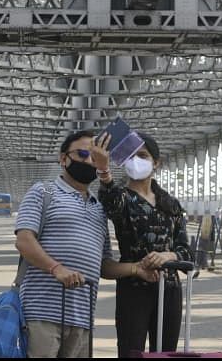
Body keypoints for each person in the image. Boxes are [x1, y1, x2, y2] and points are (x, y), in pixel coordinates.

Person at [15, 130, 158, 358]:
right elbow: (24, 240)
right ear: (63, 159)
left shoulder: (99, 208)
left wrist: (135, 269)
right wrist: (56, 268)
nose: (89, 161)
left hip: (82, 317)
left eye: (94, 156)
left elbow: (103, 265)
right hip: (41, 313)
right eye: (82, 154)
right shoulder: (43, 192)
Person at [91, 131, 193, 357]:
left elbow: (186, 250)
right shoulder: (122, 198)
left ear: (156, 163)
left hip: (170, 289)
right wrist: (104, 171)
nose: (136, 161)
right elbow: (111, 203)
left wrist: (168, 256)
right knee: (131, 350)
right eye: (131, 156)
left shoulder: (170, 203)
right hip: (133, 288)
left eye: (143, 156)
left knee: (166, 352)